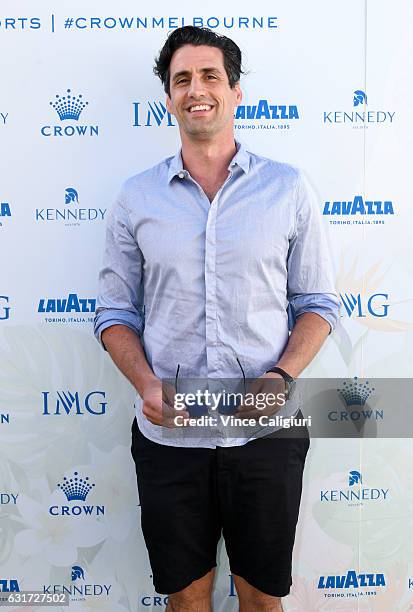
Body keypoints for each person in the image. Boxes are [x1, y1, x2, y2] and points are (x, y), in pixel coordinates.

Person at [94, 26, 340, 612]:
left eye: (210, 76)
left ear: (234, 91)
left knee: (261, 599)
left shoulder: (288, 189)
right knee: (187, 601)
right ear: (169, 97)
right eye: (182, 79)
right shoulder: (136, 198)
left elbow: (318, 305)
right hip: (169, 433)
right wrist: (146, 385)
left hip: (266, 432)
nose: (196, 89)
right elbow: (115, 312)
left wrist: (280, 379)